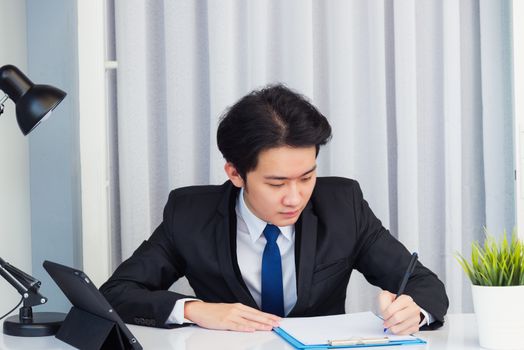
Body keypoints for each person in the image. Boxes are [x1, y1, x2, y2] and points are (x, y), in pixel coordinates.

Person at [100, 84, 448, 335]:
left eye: (307, 177)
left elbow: (423, 283)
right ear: (235, 173)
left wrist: (413, 311)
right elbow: (116, 294)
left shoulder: (343, 204)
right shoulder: (190, 213)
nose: (295, 198)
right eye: (277, 184)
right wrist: (196, 310)